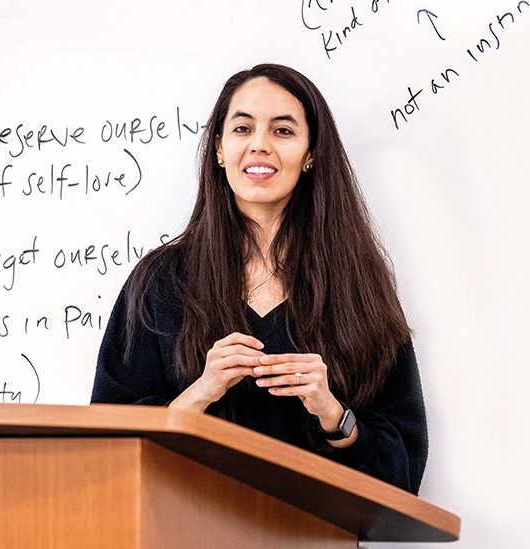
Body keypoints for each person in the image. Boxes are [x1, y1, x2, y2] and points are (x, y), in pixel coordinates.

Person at [91, 63, 428, 495]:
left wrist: (332, 413)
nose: (260, 146)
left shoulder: (358, 288)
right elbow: (108, 449)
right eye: (242, 129)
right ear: (218, 149)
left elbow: (403, 476)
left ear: (310, 154)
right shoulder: (159, 283)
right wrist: (201, 392)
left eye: (283, 131)